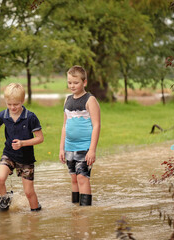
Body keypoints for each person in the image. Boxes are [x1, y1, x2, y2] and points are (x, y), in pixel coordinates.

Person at [0, 83, 44, 212]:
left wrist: (23, 143)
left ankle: (36, 213)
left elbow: (40, 138)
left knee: (29, 192)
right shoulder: (4, 114)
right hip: (9, 154)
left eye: (16, 104)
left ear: (22, 101)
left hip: (26, 158)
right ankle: (4, 205)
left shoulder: (30, 117)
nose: (12, 107)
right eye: (9, 104)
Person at [59, 65, 101, 206]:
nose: (72, 85)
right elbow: (64, 125)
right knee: (74, 179)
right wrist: (61, 148)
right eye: (69, 82)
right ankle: (75, 209)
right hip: (69, 147)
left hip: (84, 146)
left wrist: (92, 150)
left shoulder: (90, 100)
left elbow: (96, 125)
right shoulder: (67, 100)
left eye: (76, 83)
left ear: (84, 82)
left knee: (82, 178)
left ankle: (85, 211)